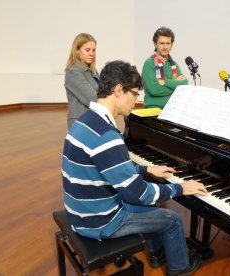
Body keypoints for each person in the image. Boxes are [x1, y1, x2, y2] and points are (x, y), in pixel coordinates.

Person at [62, 60, 207, 275]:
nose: (137, 101)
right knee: (172, 219)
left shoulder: (84, 121)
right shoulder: (107, 135)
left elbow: (107, 169)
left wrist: (146, 170)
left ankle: (157, 254)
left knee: (149, 207)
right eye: (135, 93)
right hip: (99, 221)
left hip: (80, 210)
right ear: (119, 91)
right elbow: (140, 194)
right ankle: (179, 268)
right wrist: (181, 188)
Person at [142, 27, 188, 109]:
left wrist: (165, 82)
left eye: (168, 43)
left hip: (173, 109)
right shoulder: (149, 64)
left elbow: (185, 84)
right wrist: (175, 84)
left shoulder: (174, 65)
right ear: (155, 44)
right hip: (154, 110)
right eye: (162, 43)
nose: (165, 47)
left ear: (171, 44)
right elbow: (154, 90)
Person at [64, 33, 99, 129]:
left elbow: (103, 91)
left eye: (93, 50)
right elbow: (92, 99)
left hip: (93, 118)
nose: (91, 53)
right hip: (81, 122)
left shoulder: (93, 70)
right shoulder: (73, 72)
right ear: (77, 50)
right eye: (87, 50)